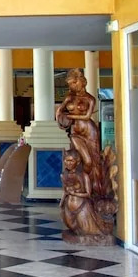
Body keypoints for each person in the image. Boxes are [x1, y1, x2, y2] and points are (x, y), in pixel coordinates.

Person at [56, 68, 106, 196]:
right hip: (75, 132)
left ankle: (91, 188)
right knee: (84, 160)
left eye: (74, 82)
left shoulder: (90, 99)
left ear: (81, 81)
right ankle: (79, 186)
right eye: (70, 84)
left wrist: (70, 116)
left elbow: (87, 116)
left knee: (93, 161)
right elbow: (59, 111)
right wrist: (60, 120)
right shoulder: (69, 97)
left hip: (90, 131)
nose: (72, 86)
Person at [60, 150, 104, 236]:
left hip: (81, 206)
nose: (68, 163)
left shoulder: (84, 176)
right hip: (68, 206)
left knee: (86, 230)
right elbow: (65, 191)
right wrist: (61, 203)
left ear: (77, 162)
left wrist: (74, 193)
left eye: (71, 161)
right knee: (72, 227)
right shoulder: (63, 175)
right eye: (66, 160)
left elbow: (88, 193)